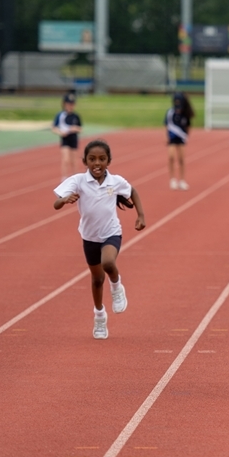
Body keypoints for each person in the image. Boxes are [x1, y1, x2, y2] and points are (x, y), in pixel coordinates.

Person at [53, 139, 146, 340]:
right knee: (96, 280)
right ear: (85, 161)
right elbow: (56, 204)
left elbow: (133, 192)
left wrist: (141, 215)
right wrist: (64, 199)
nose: (97, 163)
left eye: (102, 159)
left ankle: (117, 286)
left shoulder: (116, 182)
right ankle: (99, 316)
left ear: (108, 161)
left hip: (111, 232)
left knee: (108, 262)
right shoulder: (78, 181)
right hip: (89, 237)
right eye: (92, 159)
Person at [165, 92, 195, 190]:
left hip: (181, 138)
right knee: (171, 157)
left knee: (181, 159)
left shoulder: (185, 113)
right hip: (172, 138)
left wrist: (186, 136)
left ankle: (182, 180)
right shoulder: (170, 112)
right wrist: (166, 137)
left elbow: (188, 126)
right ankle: (172, 179)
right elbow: (166, 124)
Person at [51, 92, 82, 181]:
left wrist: (75, 128)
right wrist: (60, 132)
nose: (70, 106)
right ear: (64, 104)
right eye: (68, 104)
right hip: (65, 138)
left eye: (72, 104)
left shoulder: (76, 116)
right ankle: (64, 178)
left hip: (73, 138)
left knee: (73, 160)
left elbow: (80, 128)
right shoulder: (60, 115)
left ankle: (75, 177)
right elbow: (54, 128)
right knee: (65, 159)